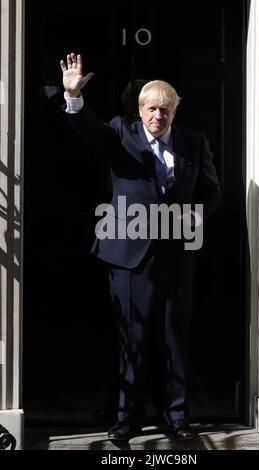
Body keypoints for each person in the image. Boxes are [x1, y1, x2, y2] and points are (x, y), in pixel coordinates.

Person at [60, 53, 221, 441]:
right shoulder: (121, 132)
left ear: (174, 112)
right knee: (131, 340)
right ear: (140, 110)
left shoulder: (194, 143)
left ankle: (177, 418)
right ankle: (126, 420)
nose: (157, 116)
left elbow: (212, 191)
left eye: (165, 110)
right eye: (151, 108)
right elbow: (88, 130)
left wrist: (195, 219)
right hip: (129, 257)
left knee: (173, 339)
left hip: (176, 256)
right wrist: (74, 97)